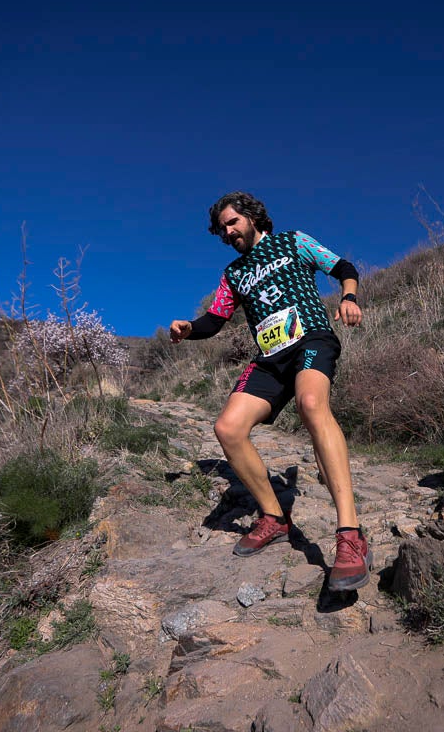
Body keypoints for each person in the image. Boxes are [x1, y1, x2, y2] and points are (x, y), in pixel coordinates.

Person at [168, 191, 371, 591]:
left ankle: (350, 535)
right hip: (270, 356)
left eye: (233, 222)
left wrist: (348, 296)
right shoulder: (233, 274)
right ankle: (275, 518)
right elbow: (215, 319)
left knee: (312, 405)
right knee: (228, 428)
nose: (228, 232)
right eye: (222, 228)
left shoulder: (292, 241)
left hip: (311, 338)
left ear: (252, 217)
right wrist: (190, 329)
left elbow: (342, 266)